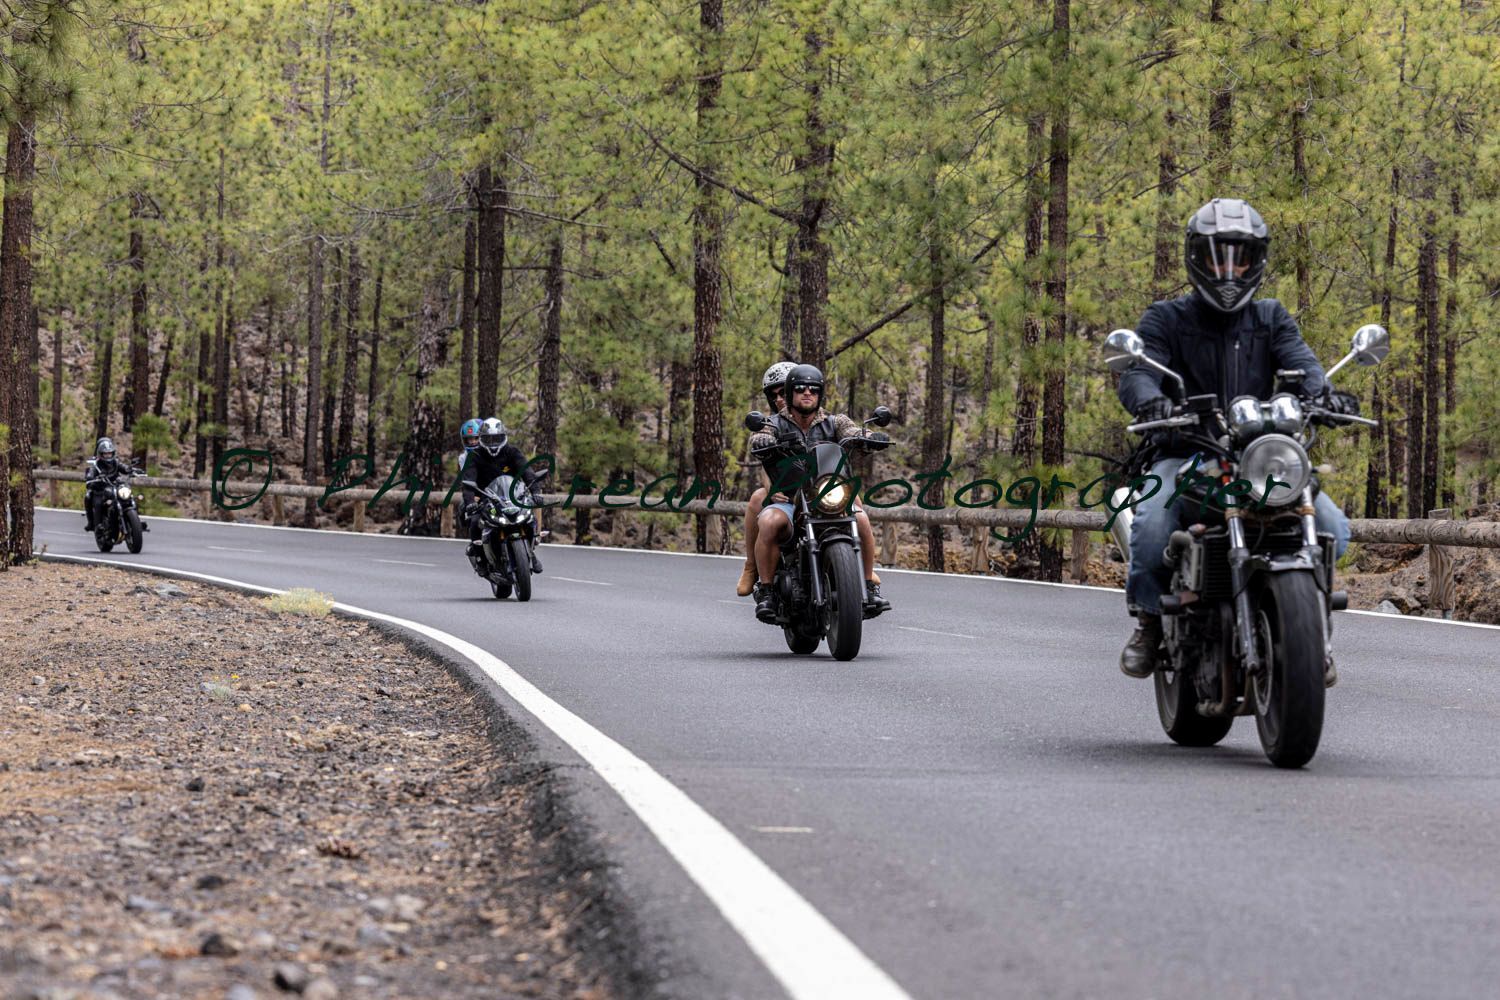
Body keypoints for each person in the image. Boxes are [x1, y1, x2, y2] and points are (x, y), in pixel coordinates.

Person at [1114, 197, 1358, 678]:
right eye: (1216, 257)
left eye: (1240, 257)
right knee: (1154, 524)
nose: (1228, 270)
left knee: (1333, 527)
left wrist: (1324, 395)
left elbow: (1304, 364)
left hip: (1257, 457)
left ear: (1256, 260)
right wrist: (1152, 402)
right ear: (1196, 258)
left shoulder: (1270, 317)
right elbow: (1137, 373)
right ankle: (1148, 620)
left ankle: (1312, 632)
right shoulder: (1166, 319)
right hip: (1186, 450)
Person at [747, 363, 892, 622]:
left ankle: (869, 586)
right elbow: (759, 436)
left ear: (820, 394)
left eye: (813, 389)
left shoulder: (834, 422)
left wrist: (869, 437)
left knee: (861, 519)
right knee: (769, 521)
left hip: (826, 494)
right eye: (800, 388)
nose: (807, 393)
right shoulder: (774, 424)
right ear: (790, 393)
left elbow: (852, 431)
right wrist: (761, 440)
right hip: (791, 497)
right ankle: (766, 591)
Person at [460, 417, 545, 575]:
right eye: (488, 439)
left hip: (513, 496)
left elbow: (527, 471)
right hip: (487, 498)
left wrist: (535, 491)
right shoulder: (475, 456)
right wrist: (470, 501)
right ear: (482, 439)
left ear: (503, 437)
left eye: (496, 438)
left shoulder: (512, 452)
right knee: (475, 521)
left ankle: (531, 552)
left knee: (529, 517)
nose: (493, 443)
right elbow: (468, 481)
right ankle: (480, 557)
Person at [83, 437, 131, 532]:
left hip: (115, 486)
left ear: (113, 453)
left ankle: (133, 519)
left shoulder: (116, 462)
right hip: (100, 489)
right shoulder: (96, 465)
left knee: (128, 497)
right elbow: (90, 474)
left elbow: (123, 467)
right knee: (95, 502)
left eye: (109, 453)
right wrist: (91, 478)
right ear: (101, 454)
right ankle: (95, 524)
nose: (108, 456)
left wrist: (129, 469)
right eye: (105, 454)